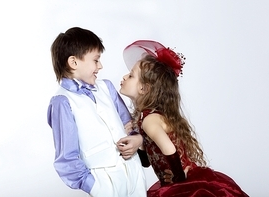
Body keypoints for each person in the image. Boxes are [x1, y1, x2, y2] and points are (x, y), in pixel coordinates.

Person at [117, 40, 249, 197]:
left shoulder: (149, 120)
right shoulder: (147, 117)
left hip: (182, 181)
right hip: (175, 178)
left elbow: (169, 149)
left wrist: (178, 179)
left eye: (131, 75)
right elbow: (147, 162)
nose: (125, 77)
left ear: (144, 88)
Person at [47, 27, 147, 197]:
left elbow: (131, 125)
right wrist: (95, 186)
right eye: (96, 60)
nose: (100, 66)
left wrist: (137, 139)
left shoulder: (106, 87)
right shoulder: (62, 102)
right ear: (74, 62)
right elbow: (67, 159)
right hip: (105, 182)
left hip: (133, 171)